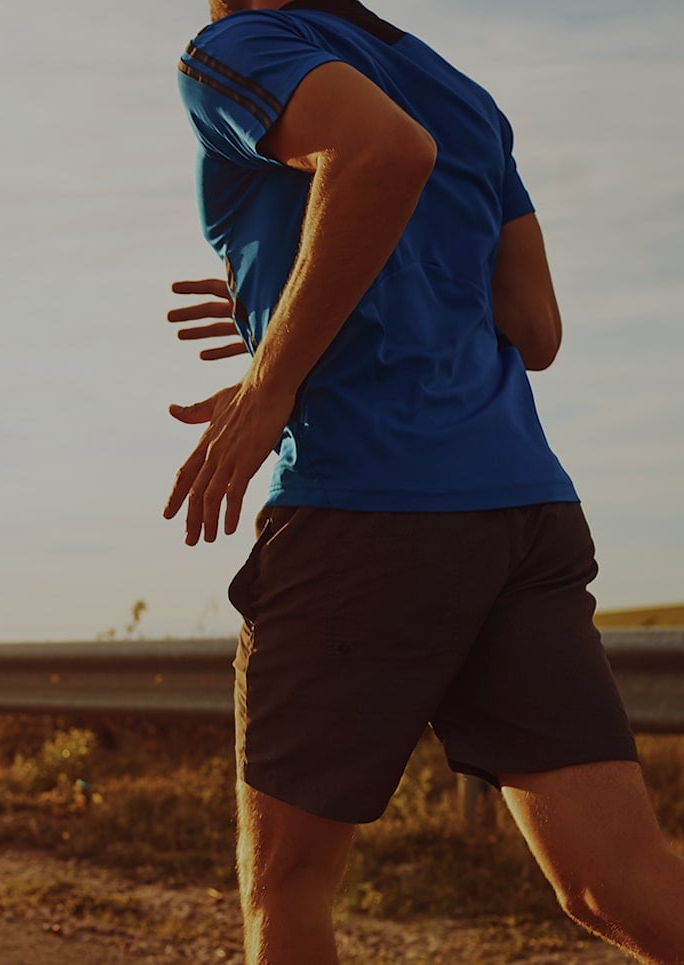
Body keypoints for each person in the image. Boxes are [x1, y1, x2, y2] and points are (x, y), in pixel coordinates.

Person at [160, 1, 684, 961]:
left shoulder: (234, 48)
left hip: (364, 505)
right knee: (621, 883)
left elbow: (383, 154)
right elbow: (534, 326)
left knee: (289, 890)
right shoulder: (461, 93)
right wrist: (277, 308)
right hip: (522, 507)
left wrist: (272, 380)